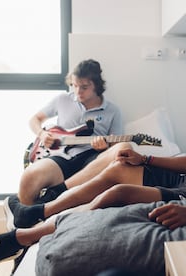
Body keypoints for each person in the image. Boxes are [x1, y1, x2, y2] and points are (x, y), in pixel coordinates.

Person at [0, 20, 186, 273]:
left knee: (118, 193)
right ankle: (39, 211)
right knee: (121, 166)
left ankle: (25, 236)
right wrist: (145, 157)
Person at [16, 59, 123, 205]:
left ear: (97, 85)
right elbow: (34, 119)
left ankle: (58, 193)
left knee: (120, 153)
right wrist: (42, 134)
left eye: (84, 87)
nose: (78, 92)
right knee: (29, 177)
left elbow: (117, 146)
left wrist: (105, 148)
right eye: (74, 85)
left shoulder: (113, 111)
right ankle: (30, 218)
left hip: (92, 160)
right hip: (60, 156)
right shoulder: (62, 99)